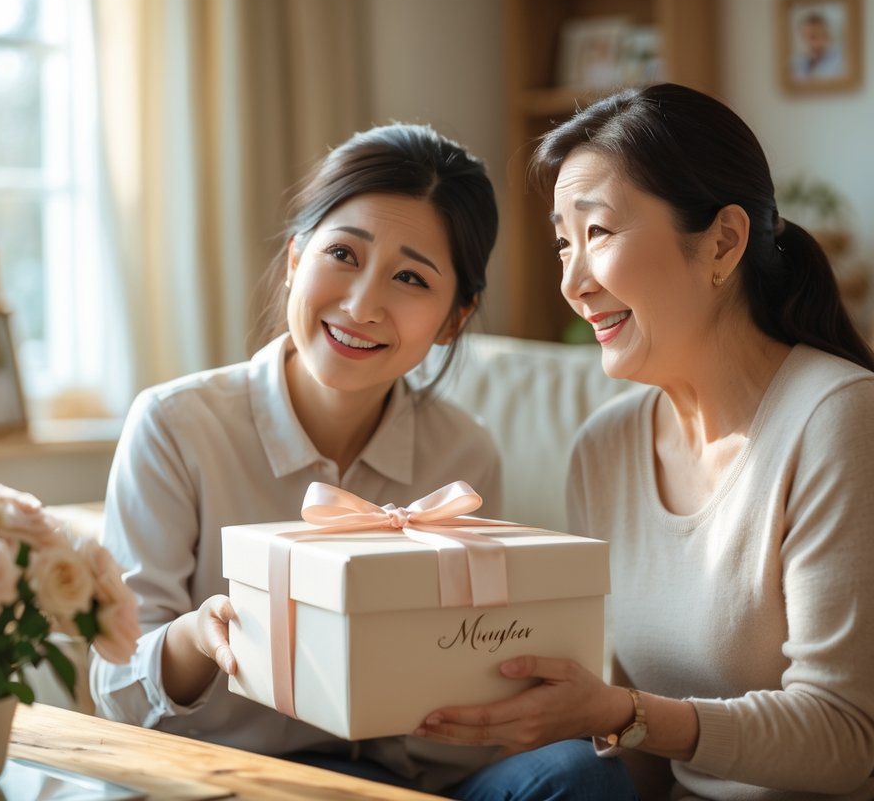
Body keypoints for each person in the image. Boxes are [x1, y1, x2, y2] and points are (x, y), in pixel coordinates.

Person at [413, 84, 874, 798]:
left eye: (599, 233)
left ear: (723, 242)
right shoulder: (603, 451)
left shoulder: (842, 420)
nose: (573, 282)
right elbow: (632, 733)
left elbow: (838, 737)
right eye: (562, 243)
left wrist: (625, 714)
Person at [90, 123, 633, 799]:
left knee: (581, 774)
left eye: (409, 277)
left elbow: (464, 670)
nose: (361, 304)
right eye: (343, 254)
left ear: (452, 320)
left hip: (407, 778)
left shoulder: (461, 454)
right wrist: (197, 640)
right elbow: (114, 685)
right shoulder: (176, 426)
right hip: (236, 778)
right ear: (294, 259)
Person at [790, 10, 844, 80]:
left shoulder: (842, 58)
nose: (810, 42)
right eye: (806, 36)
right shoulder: (797, 63)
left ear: (826, 34)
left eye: (814, 36)